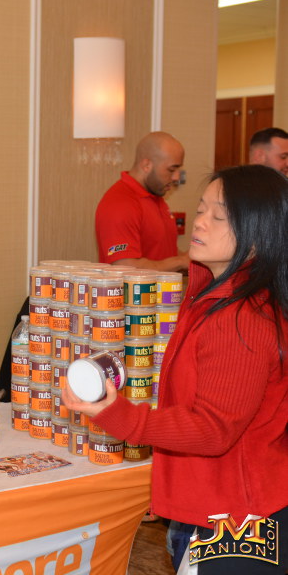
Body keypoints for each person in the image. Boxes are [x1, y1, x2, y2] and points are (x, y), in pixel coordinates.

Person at [66, 165, 288, 574]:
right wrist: (167, 486)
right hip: (214, 503)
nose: (200, 222)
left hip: (237, 519)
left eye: (219, 216)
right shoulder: (210, 296)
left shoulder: (240, 317)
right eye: (201, 209)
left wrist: (120, 416)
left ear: (259, 235)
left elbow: (212, 428)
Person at [95, 131, 190, 272]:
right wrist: (181, 262)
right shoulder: (120, 203)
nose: (176, 177)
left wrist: (193, 259)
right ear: (146, 165)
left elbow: (164, 253)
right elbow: (124, 266)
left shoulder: (156, 196)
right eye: (171, 170)